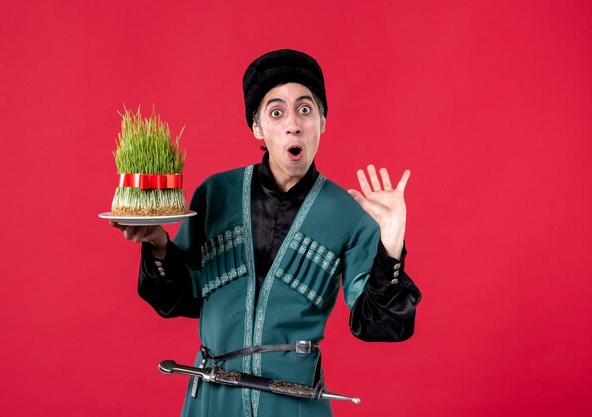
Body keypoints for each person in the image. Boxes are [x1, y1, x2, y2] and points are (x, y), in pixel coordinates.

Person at [111, 49, 421, 417]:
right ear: (256, 127)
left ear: (322, 121)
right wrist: (160, 245)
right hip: (212, 398)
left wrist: (392, 241)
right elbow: (180, 299)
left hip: (295, 400)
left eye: (305, 110)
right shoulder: (215, 194)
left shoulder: (350, 215)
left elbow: (379, 325)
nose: (293, 124)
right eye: (276, 112)